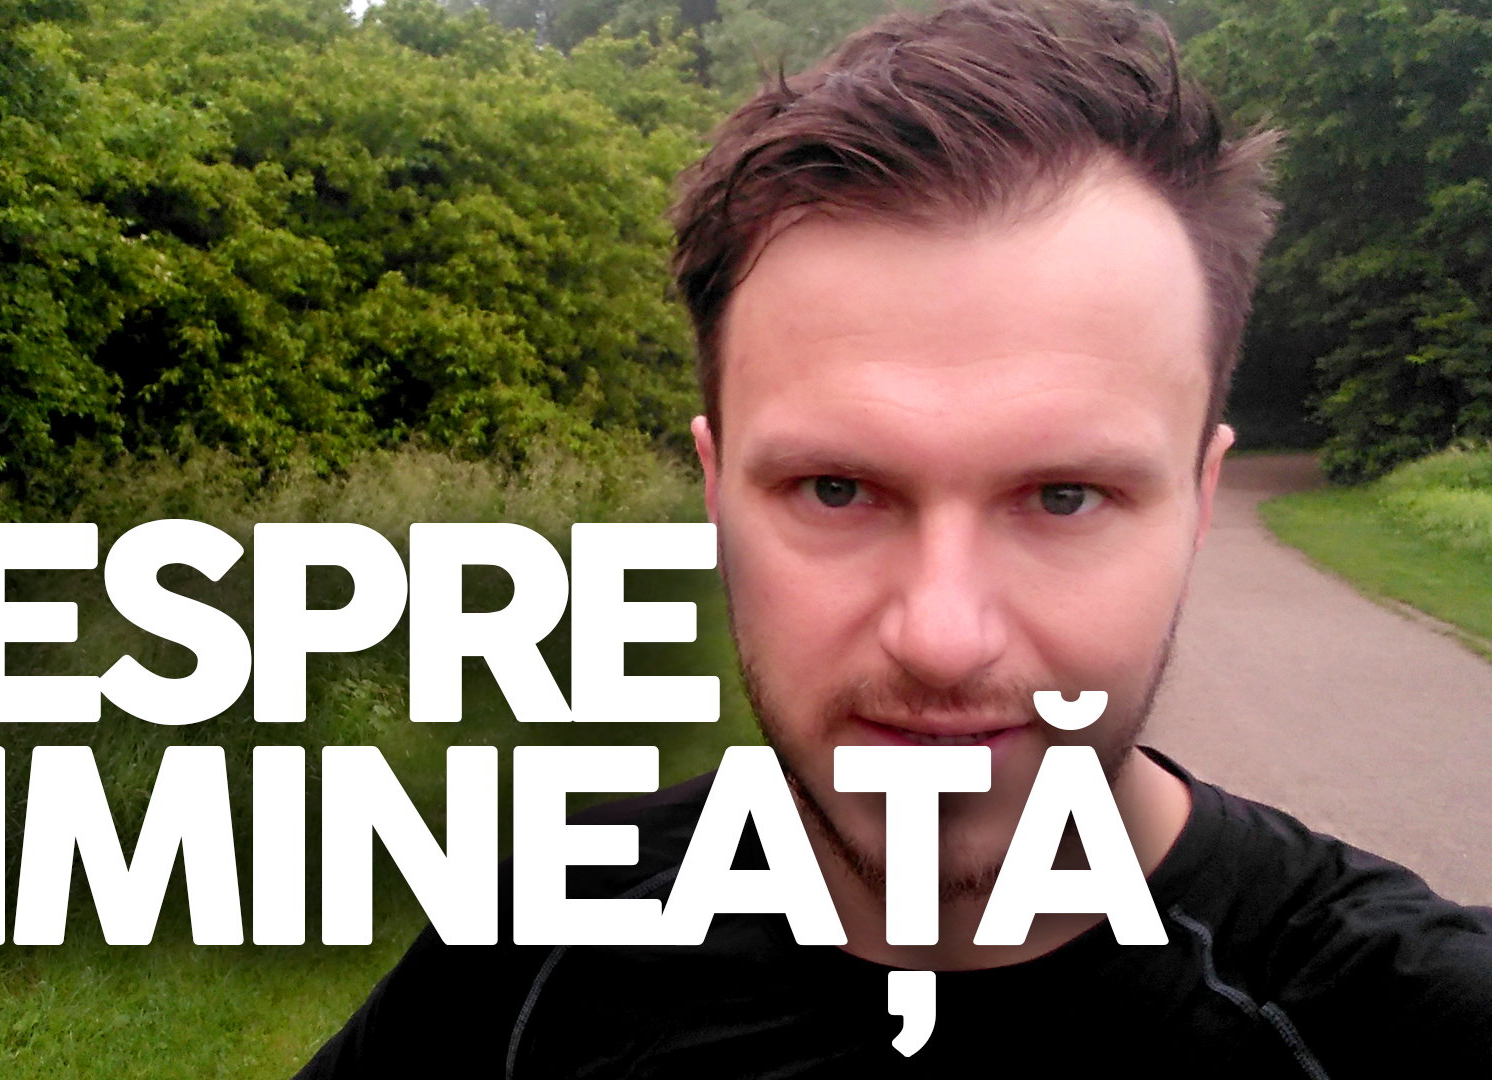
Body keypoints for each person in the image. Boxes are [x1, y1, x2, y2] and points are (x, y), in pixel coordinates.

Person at [295, 1, 1492, 1074]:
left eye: (1063, 496)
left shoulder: (1408, 1025)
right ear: (715, 492)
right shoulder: (537, 941)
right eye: (836, 489)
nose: (942, 638)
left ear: (1198, 500)